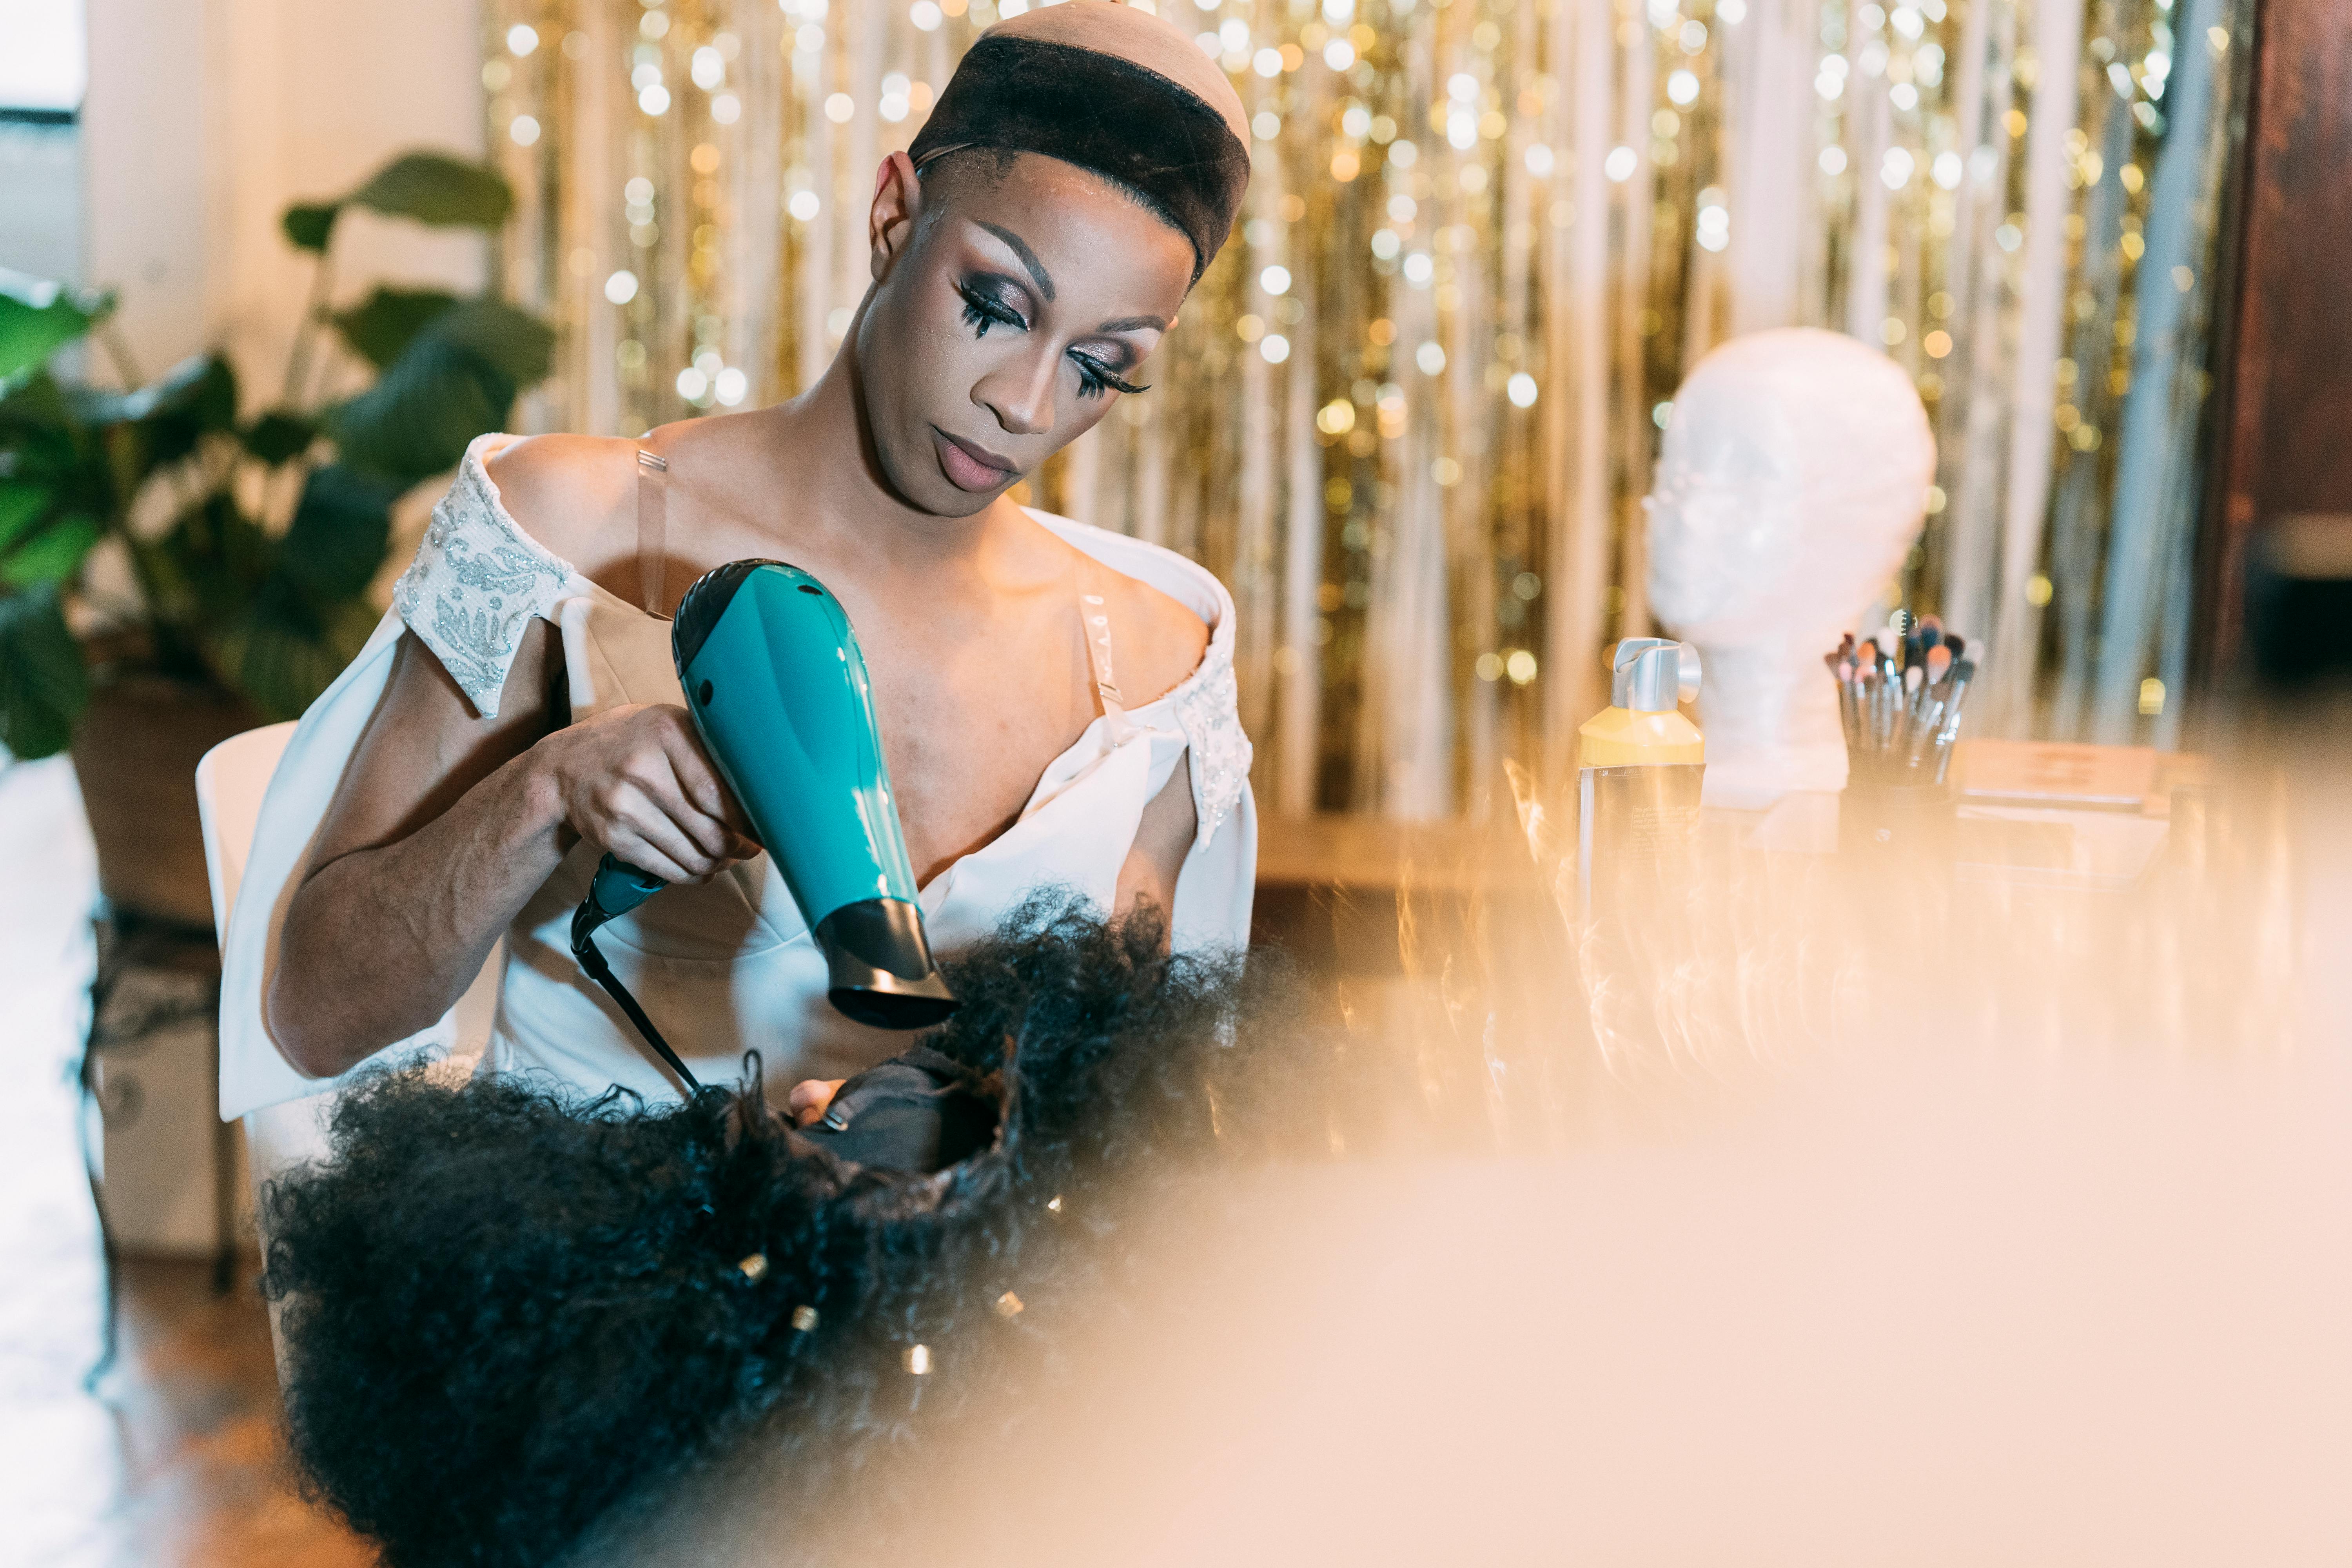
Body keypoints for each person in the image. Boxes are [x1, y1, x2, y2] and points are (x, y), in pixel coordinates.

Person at [216, 1, 1258, 1127]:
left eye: (1102, 368)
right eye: (993, 307)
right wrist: (547, 793)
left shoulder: (1157, 672)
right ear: (895, 215)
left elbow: (1128, 1121)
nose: (1024, 404)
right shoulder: (571, 527)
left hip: (939, 1286)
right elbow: (312, 1013)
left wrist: (952, 1136)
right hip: (584, 1261)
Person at [260, 903, 1319, 1568]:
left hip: (1006, 1293)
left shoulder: (1161, 652)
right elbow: (311, 1005)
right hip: (691, 1273)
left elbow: (1139, 1046)